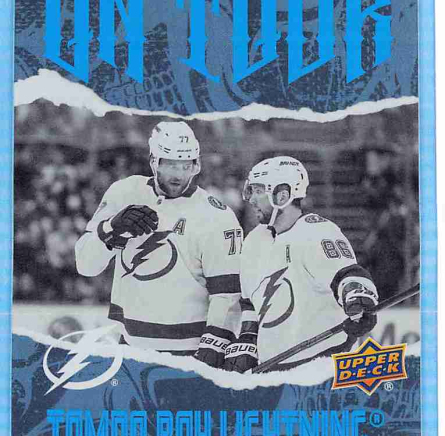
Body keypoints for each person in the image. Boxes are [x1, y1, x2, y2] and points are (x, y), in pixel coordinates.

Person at [75, 121, 242, 366]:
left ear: (196, 165)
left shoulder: (217, 216)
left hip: (189, 350)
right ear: (154, 161)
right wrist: (110, 229)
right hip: (130, 345)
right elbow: (85, 265)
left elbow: (227, 294)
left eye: (186, 165)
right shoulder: (124, 192)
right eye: (171, 164)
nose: (178, 174)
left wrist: (214, 344)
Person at [223, 156, 378, 373]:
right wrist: (248, 340)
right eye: (251, 191)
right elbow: (250, 304)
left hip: (321, 365)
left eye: (258, 191)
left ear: (282, 195)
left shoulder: (316, 231)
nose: (251, 199)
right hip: (271, 369)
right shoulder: (253, 242)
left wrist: (358, 299)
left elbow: (347, 275)